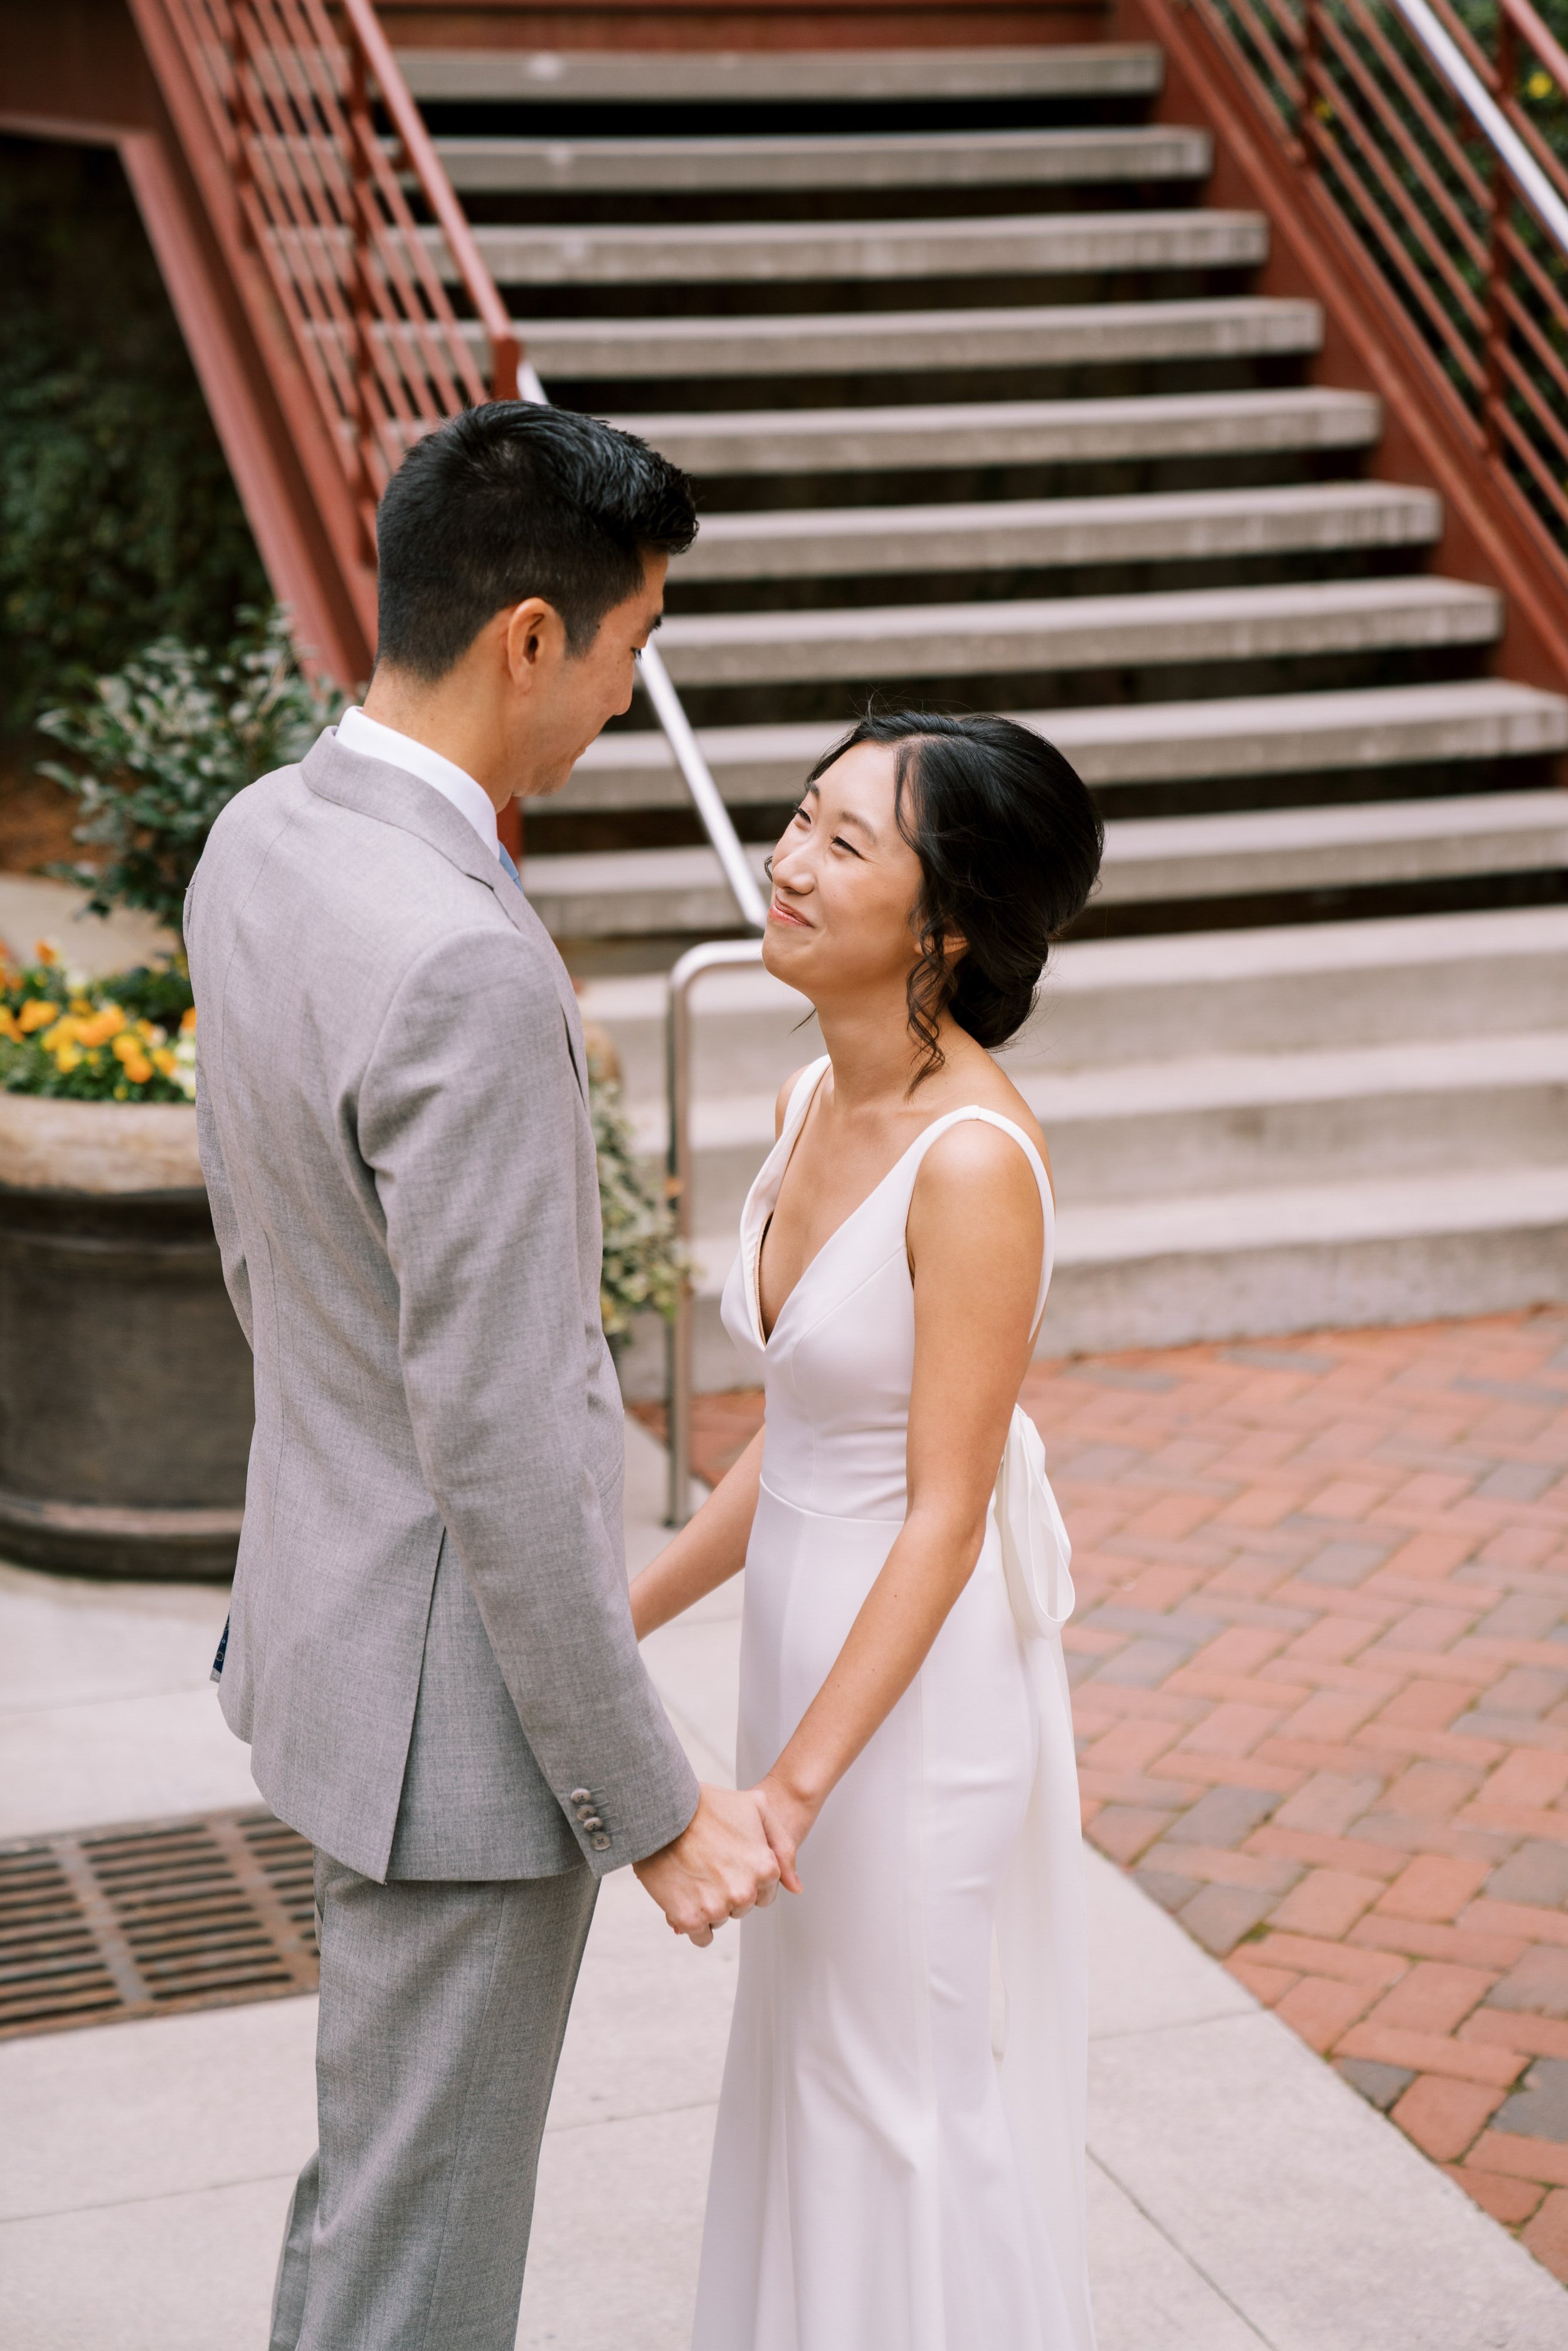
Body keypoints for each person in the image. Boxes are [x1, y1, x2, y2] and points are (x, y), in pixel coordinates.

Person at [184, 403, 780, 2351]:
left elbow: (276, 1259)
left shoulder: (263, 836)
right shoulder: (464, 961)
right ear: (532, 634)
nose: (628, 691)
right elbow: (516, 1435)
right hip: (462, 1733)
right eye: (632, 645)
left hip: (336, 1634)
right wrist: (651, 1794)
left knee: (374, 2189)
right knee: (420, 2244)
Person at [630, 711, 1104, 2350]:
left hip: (912, 1700)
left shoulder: (972, 1162)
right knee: (810, 2077)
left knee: (899, 2098)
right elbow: (800, 1438)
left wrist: (788, 1790)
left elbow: (944, 1513)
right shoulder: (803, 1095)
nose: (787, 859)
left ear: (946, 919)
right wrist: (625, 1606)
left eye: (845, 840)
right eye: (796, 817)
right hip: (801, 1649)